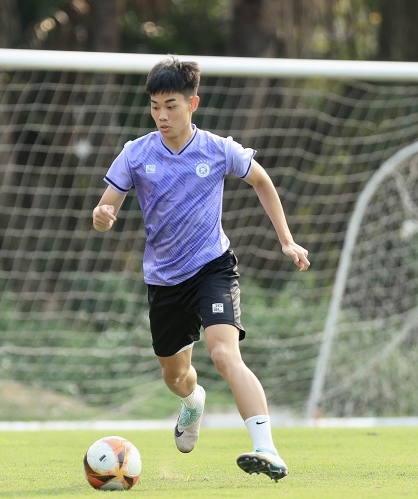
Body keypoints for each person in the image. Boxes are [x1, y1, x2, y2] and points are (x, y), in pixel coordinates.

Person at [92, 57, 309, 482]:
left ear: (193, 103)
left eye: (170, 105)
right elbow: (107, 206)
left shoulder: (217, 149)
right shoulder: (135, 154)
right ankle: (192, 402)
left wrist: (287, 239)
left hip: (213, 267)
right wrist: (102, 215)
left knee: (225, 353)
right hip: (163, 280)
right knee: (175, 376)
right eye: (155, 106)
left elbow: (262, 181)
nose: (161, 115)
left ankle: (267, 450)